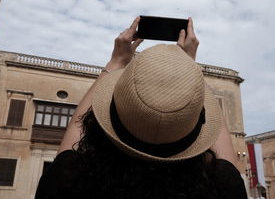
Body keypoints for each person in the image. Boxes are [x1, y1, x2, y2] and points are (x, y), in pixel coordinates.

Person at [35, 17, 247, 199]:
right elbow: (220, 135)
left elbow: (76, 127)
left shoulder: (67, 179)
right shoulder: (223, 188)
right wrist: (187, 69)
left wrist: (116, 62)